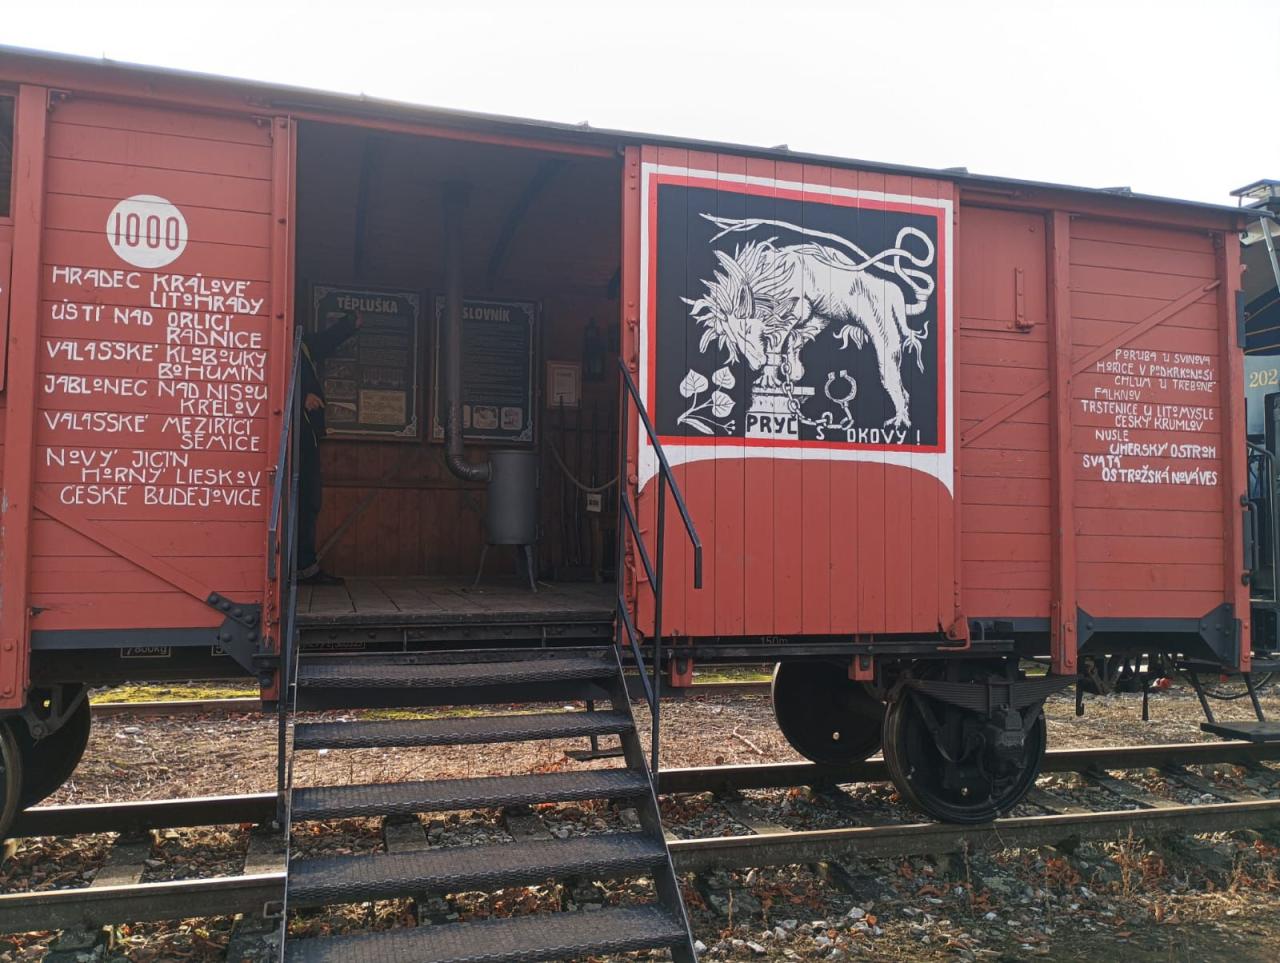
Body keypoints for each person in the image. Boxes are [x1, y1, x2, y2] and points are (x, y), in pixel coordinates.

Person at [296, 310, 362, 585]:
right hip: (294, 438)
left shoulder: (301, 344)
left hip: (306, 436)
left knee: (309, 501)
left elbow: (323, 341)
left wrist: (348, 324)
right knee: (303, 501)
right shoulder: (278, 344)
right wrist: (301, 397)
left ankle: (304, 567)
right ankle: (298, 569)